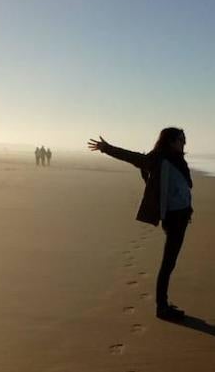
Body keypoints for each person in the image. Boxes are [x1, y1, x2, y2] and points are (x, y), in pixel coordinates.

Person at [88, 128, 192, 321]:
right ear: (170, 141)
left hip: (182, 216)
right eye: (181, 139)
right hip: (174, 217)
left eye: (184, 139)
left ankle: (163, 304)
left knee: (170, 262)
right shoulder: (159, 158)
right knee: (168, 262)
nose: (184, 142)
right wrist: (107, 148)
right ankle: (162, 307)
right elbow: (132, 157)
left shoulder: (177, 158)